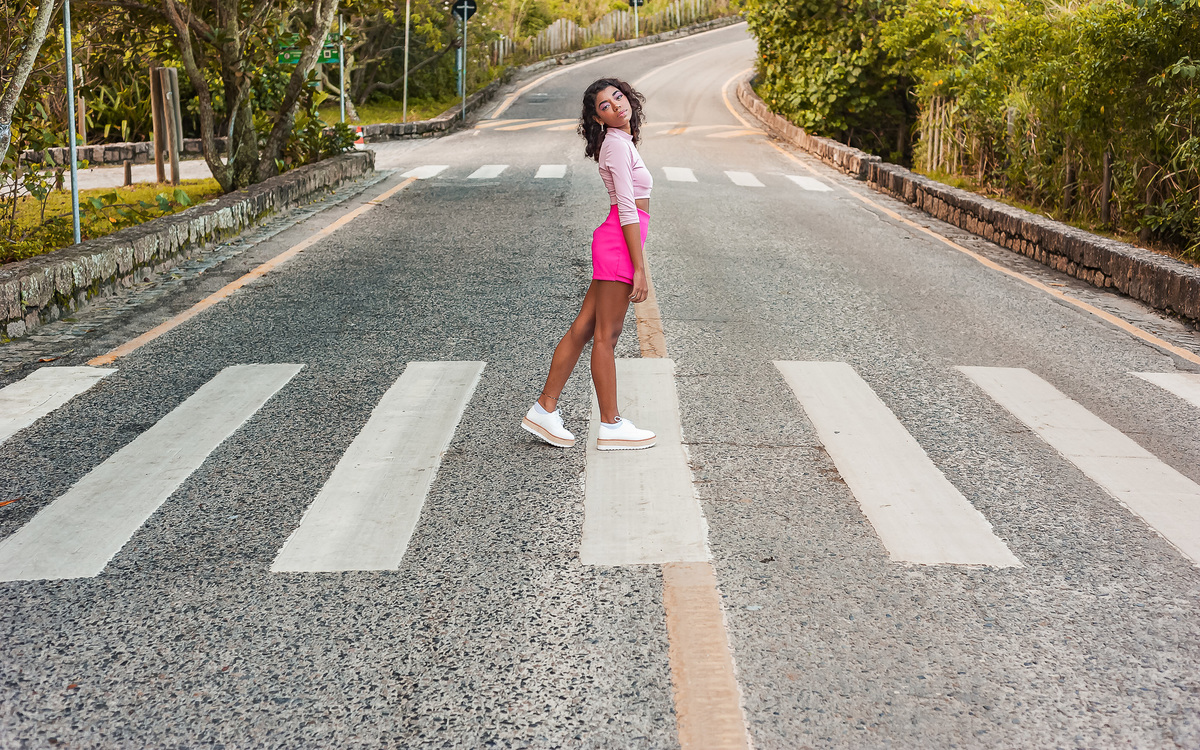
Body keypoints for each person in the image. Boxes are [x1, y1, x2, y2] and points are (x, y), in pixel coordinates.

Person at [522, 78, 657, 451]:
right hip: (617, 245)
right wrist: (639, 268)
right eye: (604, 106)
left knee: (583, 328)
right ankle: (611, 426)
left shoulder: (622, 142)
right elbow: (627, 208)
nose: (615, 105)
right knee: (605, 337)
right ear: (597, 119)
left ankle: (544, 409)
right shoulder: (615, 146)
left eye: (617, 96)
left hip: (613, 243)